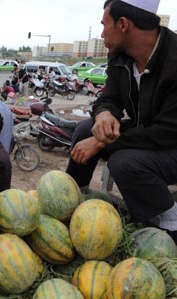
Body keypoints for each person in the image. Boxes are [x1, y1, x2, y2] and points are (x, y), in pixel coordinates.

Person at [66, 0, 177, 242]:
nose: (102, 34)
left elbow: (167, 131)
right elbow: (109, 97)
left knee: (124, 162)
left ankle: (172, 218)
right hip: (148, 133)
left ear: (124, 24)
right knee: (86, 130)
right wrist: (104, 113)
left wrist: (102, 143)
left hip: (171, 143)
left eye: (105, 25)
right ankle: (70, 203)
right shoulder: (120, 56)